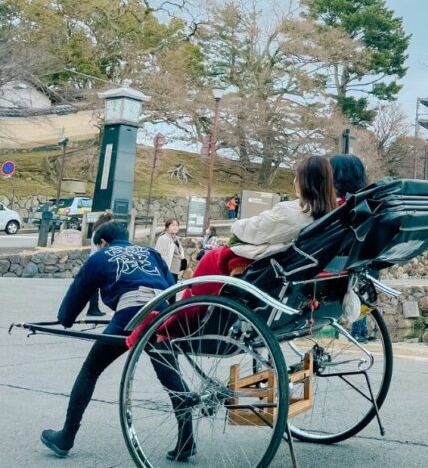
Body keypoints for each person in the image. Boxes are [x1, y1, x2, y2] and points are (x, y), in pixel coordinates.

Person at [40, 221, 194, 460]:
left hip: (130, 314)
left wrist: (66, 318)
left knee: (90, 370)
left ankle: (66, 437)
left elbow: (79, 289)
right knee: (170, 375)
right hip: (160, 312)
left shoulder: (101, 257)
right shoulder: (150, 252)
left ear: (103, 242)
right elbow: (170, 286)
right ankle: (187, 440)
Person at [190, 156, 335, 282]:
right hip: (298, 267)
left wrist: (236, 225)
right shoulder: (331, 216)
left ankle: (186, 311)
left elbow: (253, 231)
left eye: (297, 176)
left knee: (212, 258)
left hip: (269, 266)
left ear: (304, 182)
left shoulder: (290, 212)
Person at [330, 154, 369, 341]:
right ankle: (360, 333)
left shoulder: (337, 207)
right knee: (361, 293)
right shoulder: (365, 203)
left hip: (332, 264)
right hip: (359, 262)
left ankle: (358, 333)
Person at [84, 211, 115, 317]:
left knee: (94, 286)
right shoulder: (101, 232)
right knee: (96, 286)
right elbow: (102, 246)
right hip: (98, 260)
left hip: (93, 258)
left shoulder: (96, 230)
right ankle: (93, 308)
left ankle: (93, 308)